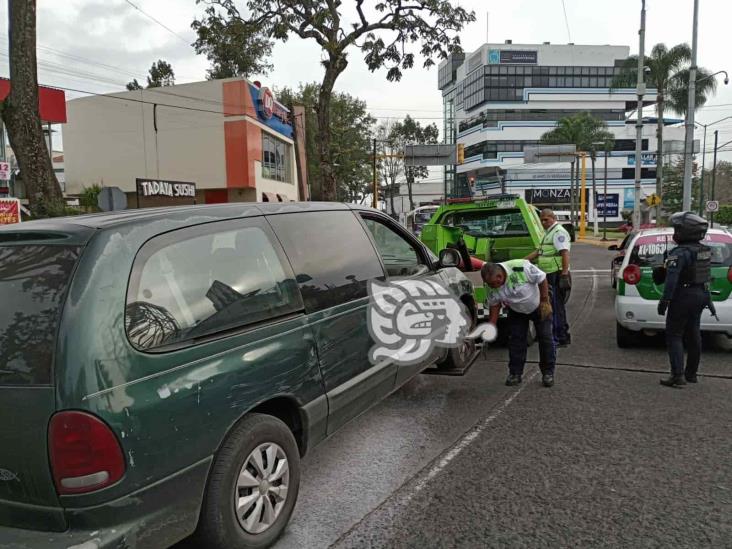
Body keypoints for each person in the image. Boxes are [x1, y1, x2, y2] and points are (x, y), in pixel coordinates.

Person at [657, 211, 714, 388]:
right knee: (694, 333)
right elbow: (704, 276)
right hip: (700, 295)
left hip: (683, 296)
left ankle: (677, 376)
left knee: (674, 335)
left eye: (677, 229)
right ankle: (691, 374)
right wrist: (709, 301)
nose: (674, 233)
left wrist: (665, 301)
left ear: (684, 232)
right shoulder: (703, 250)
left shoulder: (679, 253)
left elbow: (672, 280)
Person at [481, 259, 556, 387]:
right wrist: (491, 326)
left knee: (545, 338)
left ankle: (548, 373)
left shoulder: (521, 267)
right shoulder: (490, 286)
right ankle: (515, 373)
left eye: (494, 283)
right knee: (516, 340)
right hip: (516, 311)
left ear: (500, 276)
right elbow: (495, 305)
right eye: (489, 284)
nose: (492, 287)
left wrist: (545, 300)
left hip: (538, 306)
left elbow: (542, 278)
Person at [525, 209, 572, 346]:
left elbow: (564, 253)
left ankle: (560, 337)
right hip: (548, 274)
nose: (544, 222)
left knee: (556, 307)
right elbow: (539, 252)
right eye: (542, 220)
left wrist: (564, 274)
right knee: (551, 305)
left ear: (553, 218)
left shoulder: (558, 233)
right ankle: (558, 335)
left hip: (556, 274)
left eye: (546, 219)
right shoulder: (548, 233)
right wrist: (523, 261)